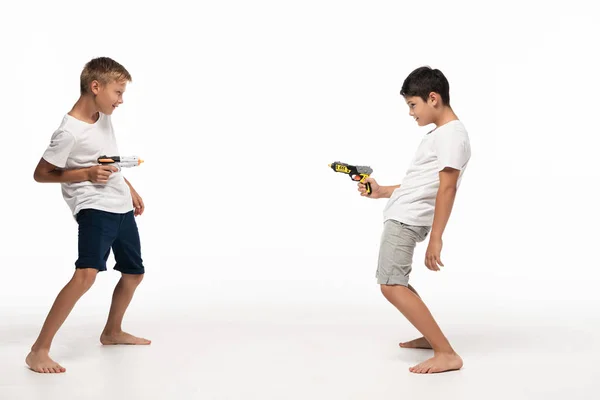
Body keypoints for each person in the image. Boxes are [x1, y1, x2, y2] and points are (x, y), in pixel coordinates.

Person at [26, 57, 150, 374]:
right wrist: (86, 174)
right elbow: (41, 174)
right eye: (118, 93)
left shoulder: (102, 114)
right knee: (86, 276)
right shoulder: (68, 131)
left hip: (120, 204)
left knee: (134, 272)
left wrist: (129, 186)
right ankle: (38, 350)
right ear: (96, 87)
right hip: (94, 208)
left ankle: (111, 332)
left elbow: (106, 159)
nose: (121, 101)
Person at [358, 66, 471, 374]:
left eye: (412, 104)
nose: (410, 113)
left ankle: (446, 353)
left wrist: (437, 236)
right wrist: (381, 191)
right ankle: (431, 336)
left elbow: (447, 188)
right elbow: (420, 185)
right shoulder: (441, 135)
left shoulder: (451, 135)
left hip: (406, 220)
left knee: (391, 285)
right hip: (404, 213)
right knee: (398, 283)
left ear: (433, 98)